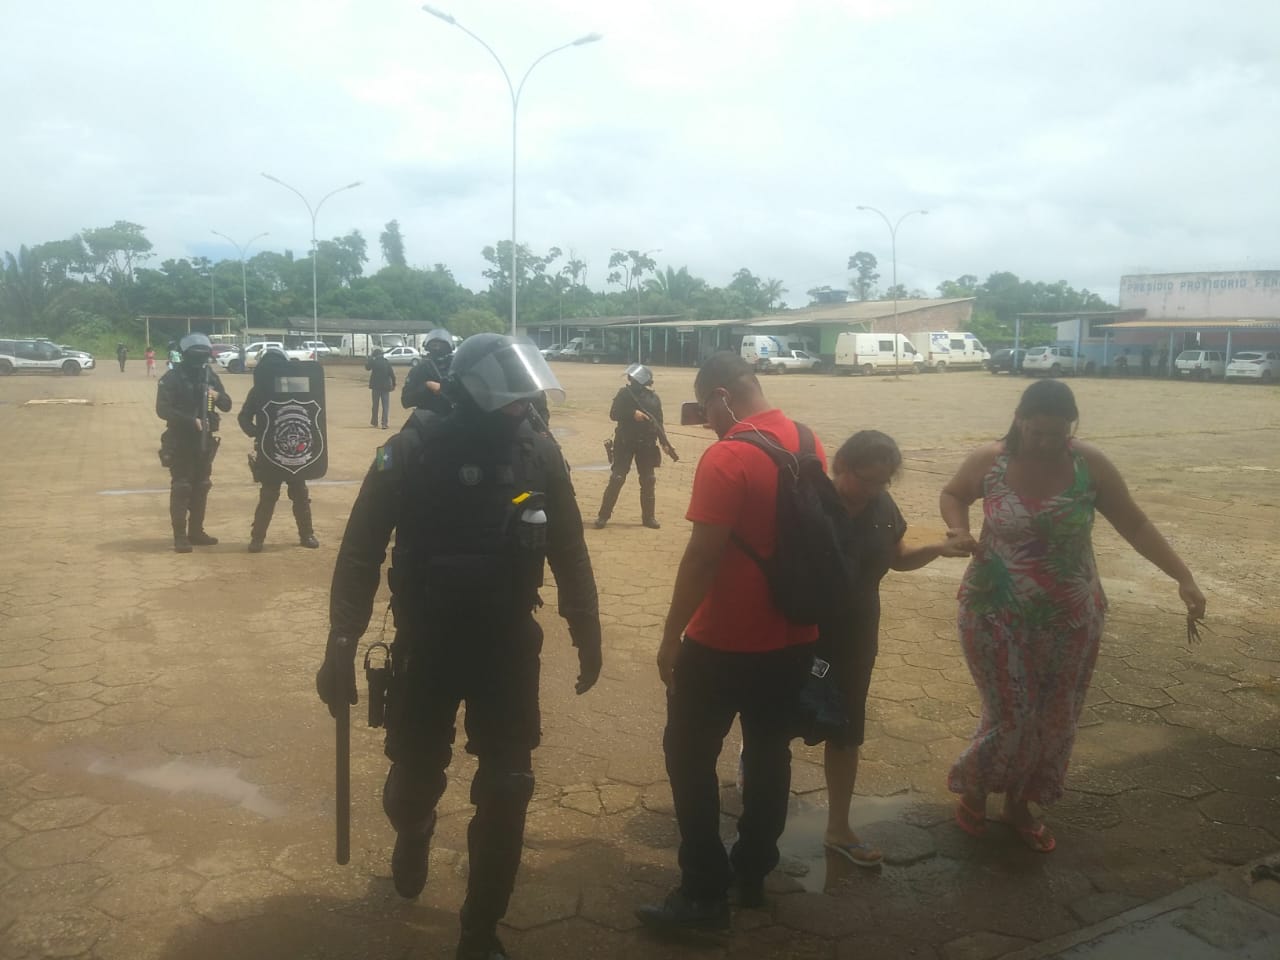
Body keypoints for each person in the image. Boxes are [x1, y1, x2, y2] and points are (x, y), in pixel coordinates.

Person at [317, 333, 603, 960]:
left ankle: (479, 933)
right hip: (428, 645)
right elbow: (361, 550)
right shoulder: (411, 449)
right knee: (416, 781)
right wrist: (342, 640)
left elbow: (570, 546)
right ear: (472, 388)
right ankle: (414, 832)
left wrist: (586, 623)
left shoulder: (539, 452)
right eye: (511, 393)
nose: (524, 403)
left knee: (509, 786)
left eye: (528, 391)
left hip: (507, 645)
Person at [939, 380, 1206, 852]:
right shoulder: (990, 460)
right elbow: (954, 493)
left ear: (1071, 428)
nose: (1046, 442)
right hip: (993, 609)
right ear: (1020, 418)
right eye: (1038, 431)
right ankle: (976, 788)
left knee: (1055, 718)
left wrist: (1183, 577)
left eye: (1058, 434)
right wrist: (957, 530)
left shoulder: (1090, 464)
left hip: (1073, 616)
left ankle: (1021, 803)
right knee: (1013, 713)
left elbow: (1135, 523)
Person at [637, 351, 818, 934]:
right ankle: (752, 873)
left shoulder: (728, 456)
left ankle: (702, 894)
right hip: (793, 637)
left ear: (719, 396)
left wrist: (670, 637)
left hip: (721, 643)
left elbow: (702, 558)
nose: (707, 419)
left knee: (689, 758)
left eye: (705, 406)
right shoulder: (809, 442)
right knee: (769, 754)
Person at [820, 431, 970, 867]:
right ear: (841, 466)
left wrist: (940, 549)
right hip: (798, 633)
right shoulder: (809, 503)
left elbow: (897, 557)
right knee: (772, 728)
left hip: (855, 637)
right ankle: (757, 820)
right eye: (865, 480)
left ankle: (838, 828)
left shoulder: (883, 509)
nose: (873, 490)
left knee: (846, 733)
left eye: (883, 483)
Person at [155, 333, 233, 553]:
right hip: (180, 439)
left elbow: (227, 405)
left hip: (204, 441)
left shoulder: (210, 376)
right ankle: (180, 536)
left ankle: (196, 532)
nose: (199, 362)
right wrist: (190, 420)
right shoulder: (172, 378)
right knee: (182, 487)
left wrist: (216, 396)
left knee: (202, 486)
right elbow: (163, 409)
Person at [237, 348, 320, 553]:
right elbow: (244, 418)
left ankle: (306, 534)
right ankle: (257, 538)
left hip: (294, 453)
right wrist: (260, 434)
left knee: (299, 494)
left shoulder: (295, 386)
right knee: (269, 496)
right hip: (270, 452)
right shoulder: (258, 391)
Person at [594, 363, 675, 530]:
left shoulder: (653, 398)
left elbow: (658, 422)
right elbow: (613, 414)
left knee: (648, 480)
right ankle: (603, 516)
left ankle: (648, 518)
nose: (631, 381)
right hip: (625, 442)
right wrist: (632, 414)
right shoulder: (624, 394)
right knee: (617, 478)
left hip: (646, 444)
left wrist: (664, 442)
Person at [401, 328, 455, 414]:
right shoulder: (419, 369)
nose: (437, 348)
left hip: (455, 418)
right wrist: (426, 387)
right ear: (428, 347)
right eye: (434, 345)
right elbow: (405, 400)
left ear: (449, 347)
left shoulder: (457, 368)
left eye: (441, 345)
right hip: (427, 419)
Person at [365, 348, 396, 429]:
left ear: (375, 355)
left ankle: (375, 422)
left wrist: (370, 358)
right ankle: (384, 423)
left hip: (375, 387)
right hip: (385, 387)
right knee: (385, 406)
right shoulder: (386, 362)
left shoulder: (374, 362)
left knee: (375, 405)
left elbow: (367, 368)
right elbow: (392, 374)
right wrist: (394, 384)